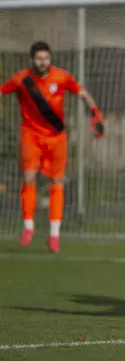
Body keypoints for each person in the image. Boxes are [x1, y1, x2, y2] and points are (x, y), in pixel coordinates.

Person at [0, 41, 104, 253]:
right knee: (29, 177)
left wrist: (96, 113)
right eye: (39, 58)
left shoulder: (62, 77)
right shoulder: (22, 79)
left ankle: (54, 235)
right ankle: (28, 227)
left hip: (57, 138)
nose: (43, 62)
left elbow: (82, 93)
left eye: (46, 58)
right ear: (32, 60)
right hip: (31, 135)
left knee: (57, 182)